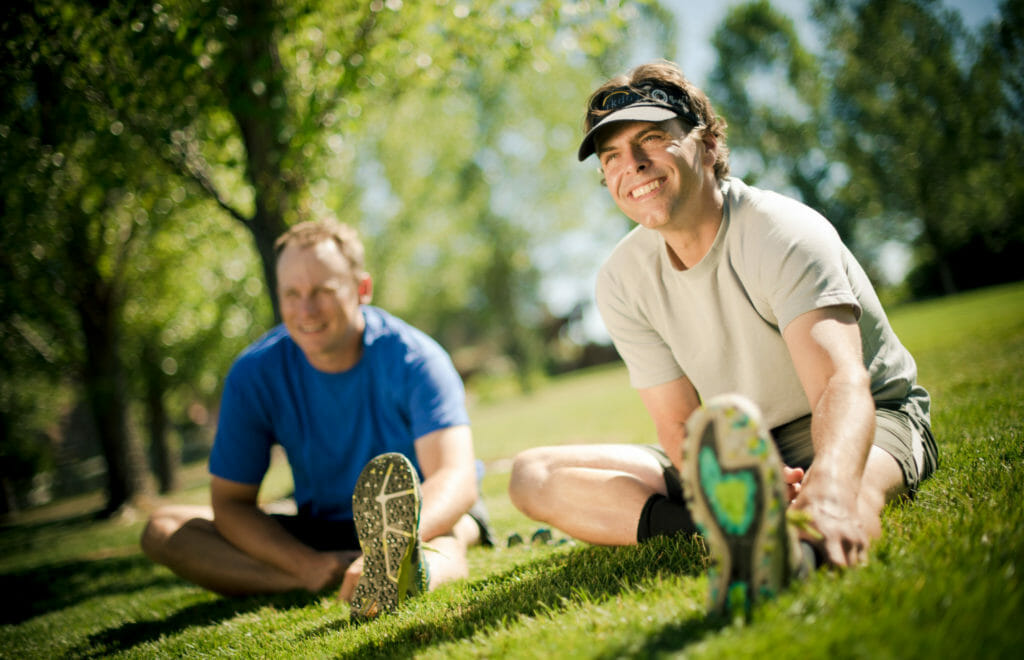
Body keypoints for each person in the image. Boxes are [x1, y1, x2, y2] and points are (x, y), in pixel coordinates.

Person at [508, 61, 938, 619]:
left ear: (708, 145)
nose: (631, 165)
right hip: (743, 449)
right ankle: (733, 525)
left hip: (869, 418)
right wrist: (725, 480)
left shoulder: (781, 231)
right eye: (611, 156)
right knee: (532, 476)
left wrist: (827, 485)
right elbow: (681, 426)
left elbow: (840, 383)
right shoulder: (620, 279)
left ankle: (796, 554)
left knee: (844, 498)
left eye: (652, 139)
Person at [141, 219, 492, 621]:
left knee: (454, 533)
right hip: (321, 529)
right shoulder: (254, 373)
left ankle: (411, 571)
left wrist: (390, 550)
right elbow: (230, 504)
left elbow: (456, 479)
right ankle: (326, 576)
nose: (306, 310)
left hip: (421, 516)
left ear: (362, 289)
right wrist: (305, 564)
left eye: (323, 291)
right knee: (163, 528)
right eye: (292, 293)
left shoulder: (415, 358)